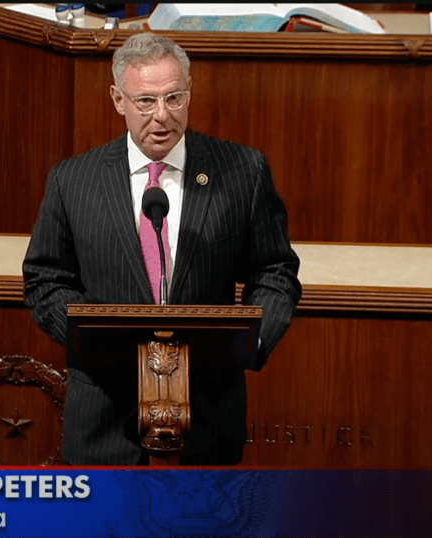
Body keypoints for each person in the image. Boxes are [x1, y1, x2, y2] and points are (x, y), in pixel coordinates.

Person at [22, 32, 301, 465]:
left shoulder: (243, 171)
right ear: (118, 99)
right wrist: (89, 339)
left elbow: (275, 270)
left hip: (209, 412)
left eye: (174, 98)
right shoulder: (73, 180)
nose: (162, 116)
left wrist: (253, 337)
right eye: (146, 101)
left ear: (189, 93)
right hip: (104, 414)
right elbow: (45, 278)